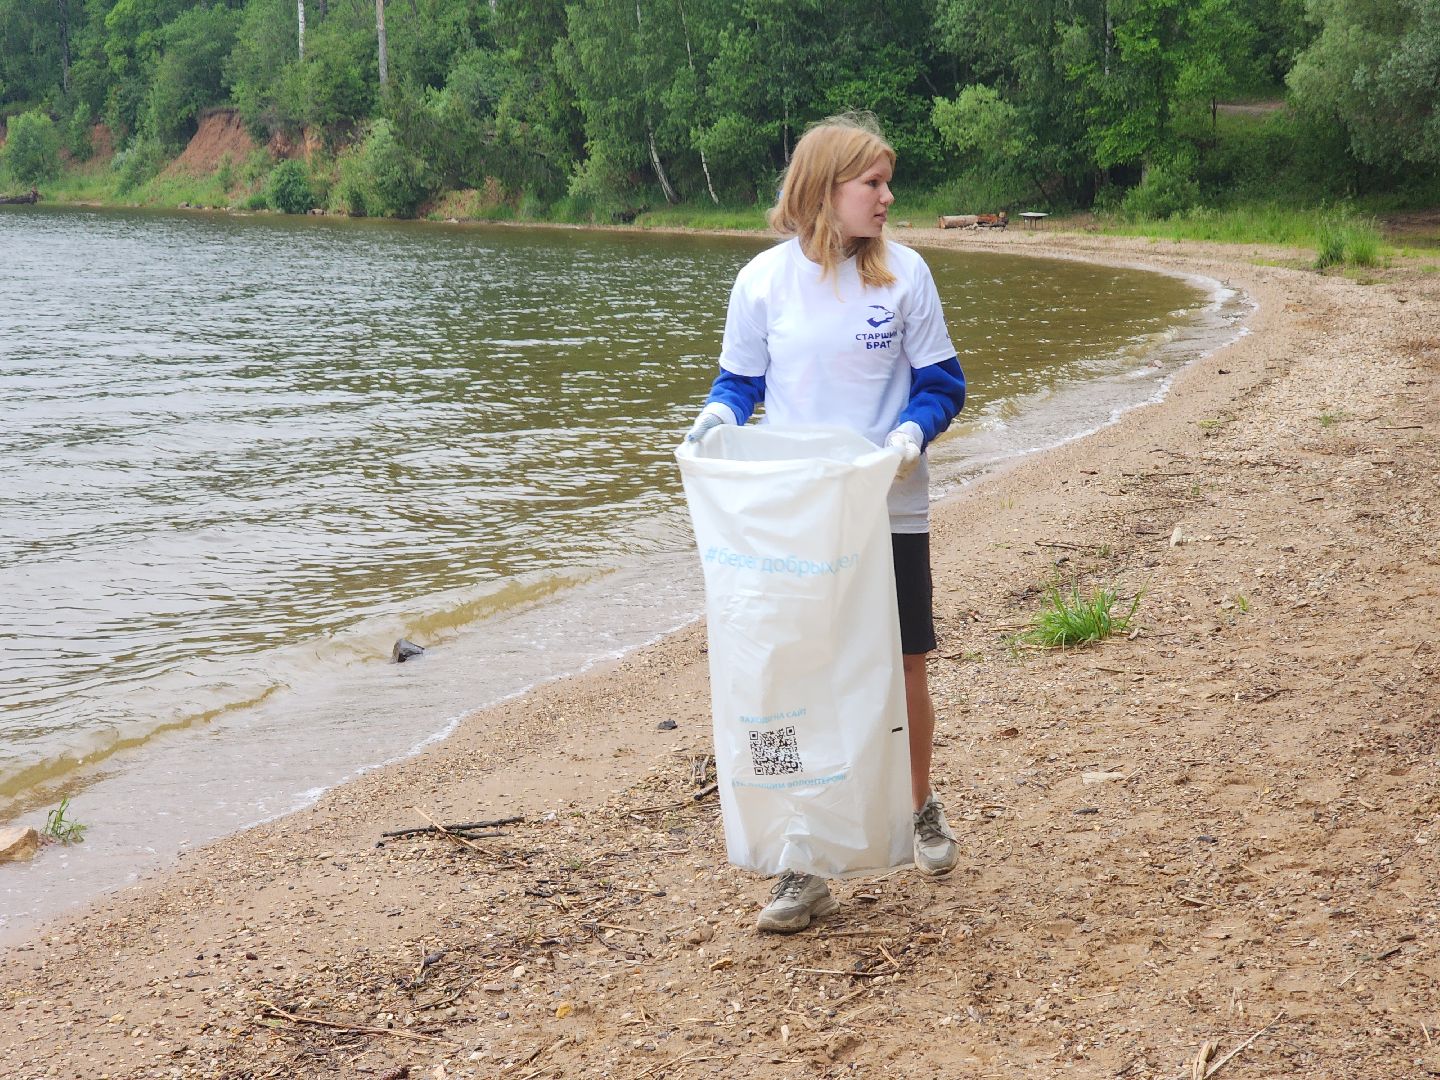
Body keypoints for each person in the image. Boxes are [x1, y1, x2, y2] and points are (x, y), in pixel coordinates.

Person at [684, 113, 968, 933]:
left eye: (887, 183)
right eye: (872, 183)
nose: (887, 197)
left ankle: (916, 805)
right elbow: (740, 383)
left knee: (903, 664)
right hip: (798, 513)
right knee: (802, 675)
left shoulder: (904, 275)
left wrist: (910, 434)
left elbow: (943, 383)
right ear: (825, 189)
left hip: (889, 503)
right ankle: (802, 863)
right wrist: (715, 417)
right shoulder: (762, 282)